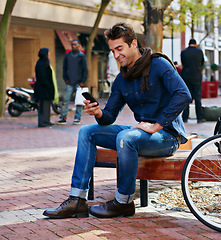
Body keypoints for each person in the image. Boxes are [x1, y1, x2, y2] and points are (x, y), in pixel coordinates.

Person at [43, 22, 191, 219]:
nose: (115, 55)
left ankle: (123, 202)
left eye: (119, 48)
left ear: (133, 44)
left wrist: (157, 125)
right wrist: (97, 113)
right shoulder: (122, 80)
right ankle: (77, 200)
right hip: (139, 134)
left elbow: (183, 94)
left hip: (166, 137)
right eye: (112, 50)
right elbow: (109, 116)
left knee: (126, 137)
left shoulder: (158, 64)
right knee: (87, 132)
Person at [56, 39, 88, 125]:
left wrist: (83, 81)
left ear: (78, 46)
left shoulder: (82, 56)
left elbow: (85, 70)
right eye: (72, 45)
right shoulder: (67, 56)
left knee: (79, 102)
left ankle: (77, 118)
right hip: (69, 82)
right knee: (65, 101)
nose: (73, 46)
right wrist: (65, 78)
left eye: (75, 44)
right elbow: (64, 68)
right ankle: (63, 118)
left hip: (79, 83)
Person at [181, 39, 205, 123]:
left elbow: (183, 63)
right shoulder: (199, 52)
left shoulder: (183, 52)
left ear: (189, 44)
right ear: (195, 44)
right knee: (198, 98)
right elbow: (202, 63)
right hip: (197, 77)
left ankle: (185, 117)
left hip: (186, 77)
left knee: (187, 97)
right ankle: (200, 117)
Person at [34, 48, 55, 128]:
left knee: (46, 106)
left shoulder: (43, 62)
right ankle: (43, 122)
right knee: (43, 106)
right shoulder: (42, 63)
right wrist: (48, 85)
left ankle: (46, 121)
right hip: (43, 89)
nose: (49, 54)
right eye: (48, 53)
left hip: (45, 88)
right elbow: (42, 77)